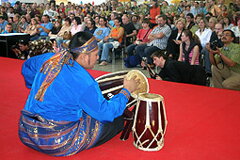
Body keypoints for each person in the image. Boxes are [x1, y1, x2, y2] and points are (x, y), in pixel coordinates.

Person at [18, 31, 139, 156]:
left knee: (84, 108)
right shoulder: (83, 80)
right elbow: (105, 113)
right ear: (84, 56)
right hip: (56, 140)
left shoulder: (49, 58)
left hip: (27, 131)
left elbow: (27, 67)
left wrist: (37, 86)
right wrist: (126, 91)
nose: (97, 58)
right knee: (116, 119)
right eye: (96, 54)